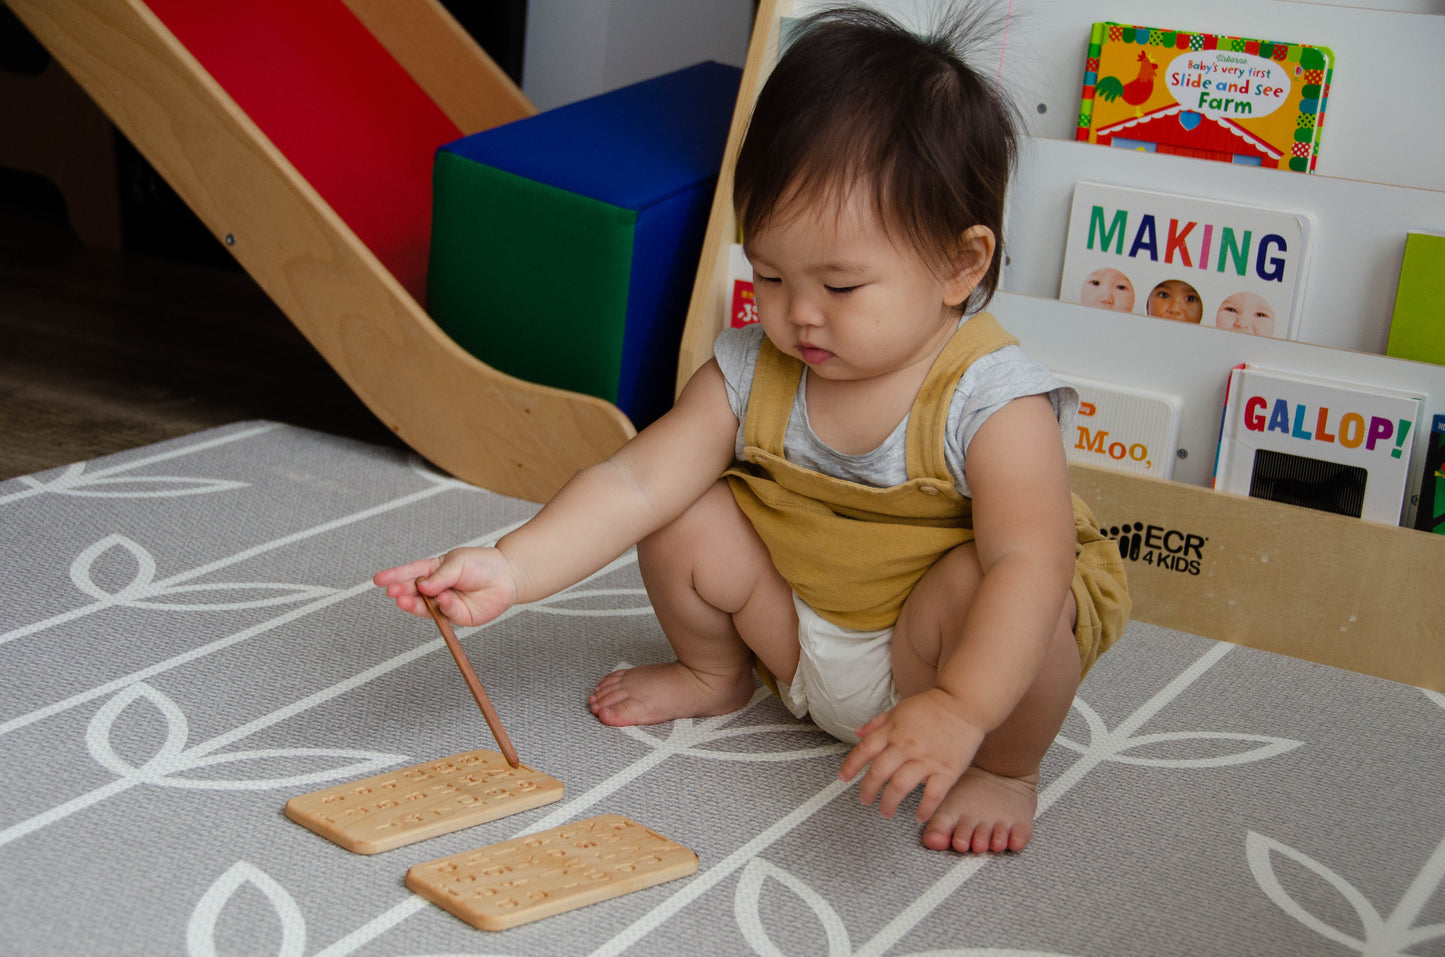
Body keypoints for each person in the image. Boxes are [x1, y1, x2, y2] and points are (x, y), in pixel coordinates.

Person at [375, 4, 1128, 855]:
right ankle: (714, 672)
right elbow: (632, 483)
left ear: (960, 264)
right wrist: (510, 565)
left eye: (840, 287)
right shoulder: (748, 369)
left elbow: (1028, 563)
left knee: (1029, 599)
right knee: (682, 507)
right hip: (794, 635)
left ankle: (1006, 769)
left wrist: (960, 708)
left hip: (940, 665)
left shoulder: (993, 399)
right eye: (769, 273)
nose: (798, 314)